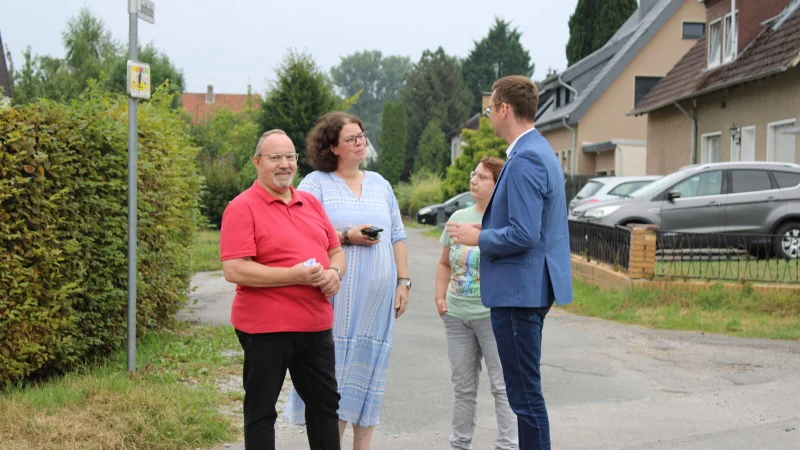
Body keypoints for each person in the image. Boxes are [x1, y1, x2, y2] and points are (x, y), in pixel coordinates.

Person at [446, 75, 573, 450]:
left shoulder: (526, 157)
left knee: (524, 397)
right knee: (525, 393)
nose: (488, 115)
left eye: (490, 109)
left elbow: (524, 234)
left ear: (504, 109)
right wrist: (483, 225)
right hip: (527, 287)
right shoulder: (537, 150)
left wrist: (478, 238)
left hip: (519, 292)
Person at [284, 111, 409, 450]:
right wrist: (348, 236)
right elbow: (301, 233)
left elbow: (398, 235)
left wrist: (404, 283)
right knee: (334, 380)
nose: (360, 142)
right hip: (335, 301)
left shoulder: (380, 184)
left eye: (362, 135)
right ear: (333, 147)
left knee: (369, 378)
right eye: (351, 138)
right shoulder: (316, 184)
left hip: (378, 304)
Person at [220, 129, 345, 450]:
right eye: (275, 157)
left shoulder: (311, 203)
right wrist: (293, 276)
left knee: (325, 408)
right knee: (261, 412)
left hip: (316, 327)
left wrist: (334, 273)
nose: (284, 164)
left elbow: (336, 250)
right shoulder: (242, 207)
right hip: (266, 329)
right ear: (257, 162)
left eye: (290, 157)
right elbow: (235, 268)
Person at [435, 156, 518, 450]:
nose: (473, 180)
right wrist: (439, 296)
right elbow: (445, 263)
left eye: (482, 177)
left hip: (493, 316)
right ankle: (459, 445)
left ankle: (507, 445)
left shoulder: (508, 222)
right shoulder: (458, 218)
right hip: (457, 315)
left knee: (502, 386)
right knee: (463, 387)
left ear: (498, 185)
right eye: (473, 174)